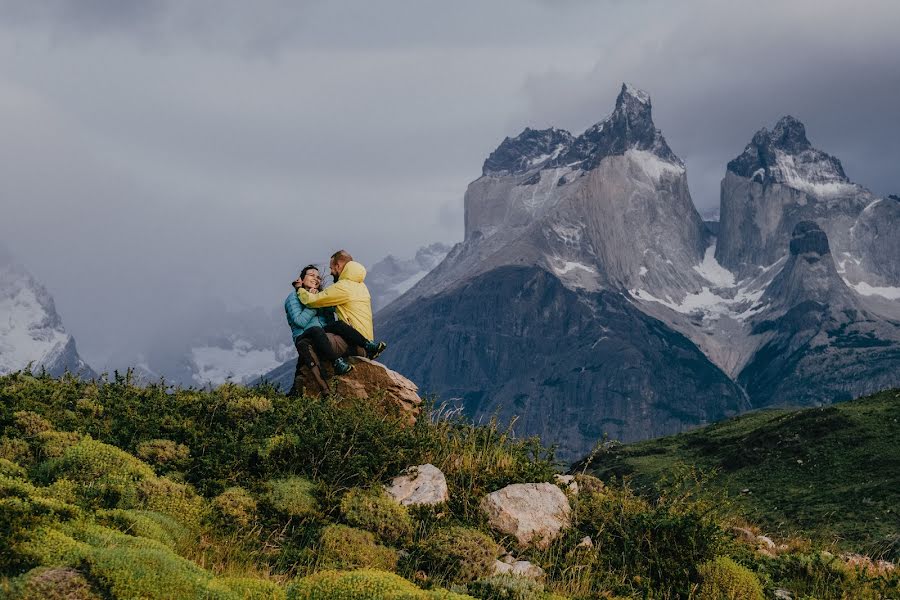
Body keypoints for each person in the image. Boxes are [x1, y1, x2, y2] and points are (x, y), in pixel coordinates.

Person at [297, 250, 386, 375]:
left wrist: (300, 290)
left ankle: (334, 367)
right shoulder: (361, 286)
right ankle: (368, 347)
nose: (330, 272)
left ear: (338, 266)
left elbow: (312, 301)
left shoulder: (343, 287)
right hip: (363, 340)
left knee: (309, 341)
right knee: (331, 327)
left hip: (353, 343)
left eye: (331, 268)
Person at [285, 265, 334, 395]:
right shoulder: (293, 298)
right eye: (311, 275)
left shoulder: (320, 296)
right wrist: (313, 304)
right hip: (304, 337)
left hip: (322, 338)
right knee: (303, 371)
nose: (316, 279)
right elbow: (300, 322)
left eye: (318, 277)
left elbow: (330, 321)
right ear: (301, 279)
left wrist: (325, 304)